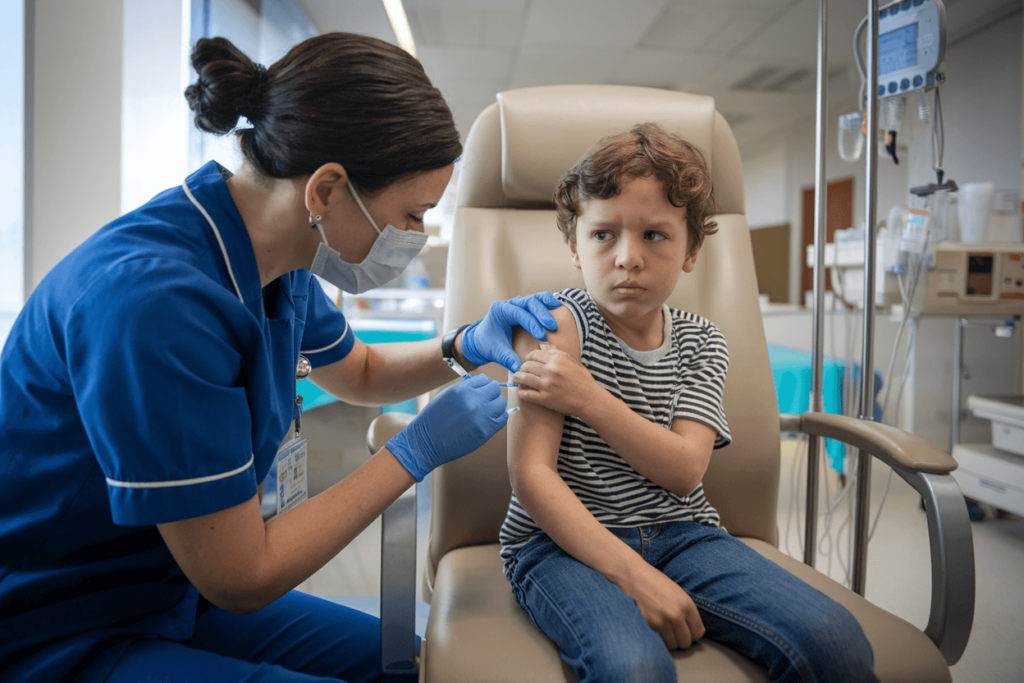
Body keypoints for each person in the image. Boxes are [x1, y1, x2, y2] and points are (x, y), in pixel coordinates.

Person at [0, 33, 559, 683]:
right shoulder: (156, 306)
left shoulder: (277, 258)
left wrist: (465, 344)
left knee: (401, 663)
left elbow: (361, 372)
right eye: (411, 214)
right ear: (326, 189)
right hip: (54, 623)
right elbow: (243, 575)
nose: (415, 238)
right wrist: (415, 451)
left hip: (167, 586)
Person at [501, 123, 880, 683]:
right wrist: (634, 576)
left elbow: (683, 470)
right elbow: (531, 476)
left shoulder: (703, 341)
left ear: (691, 250)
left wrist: (586, 396)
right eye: (604, 234)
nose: (628, 258)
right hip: (559, 545)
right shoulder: (555, 326)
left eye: (655, 235)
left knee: (836, 640)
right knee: (633, 670)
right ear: (574, 247)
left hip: (684, 533)